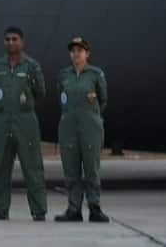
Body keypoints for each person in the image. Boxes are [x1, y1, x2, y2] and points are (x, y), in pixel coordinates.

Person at [0, 26, 47, 221]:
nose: (11, 43)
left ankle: (38, 210)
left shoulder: (31, 66)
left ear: (22, 42)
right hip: (3, 121)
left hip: (25, 121)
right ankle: (0, 210)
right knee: (1, 168)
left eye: (15, 39)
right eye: (7, 39)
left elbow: (40, 92)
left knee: (32, 167)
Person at [55, 36, 109, 223]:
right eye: (73, 51)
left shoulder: (95, 74)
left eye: (80, 50)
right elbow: (60, 98)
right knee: (71, 169)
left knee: (91, 169)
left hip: (90, 129)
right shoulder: (64, 75)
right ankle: (74, 209)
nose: (76, 54)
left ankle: (95, 208)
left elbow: (102, 100)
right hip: (69, 128)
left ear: (87, 53)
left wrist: (91, 117)